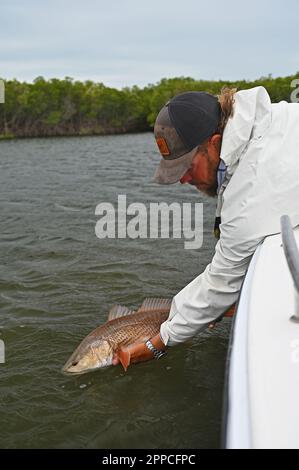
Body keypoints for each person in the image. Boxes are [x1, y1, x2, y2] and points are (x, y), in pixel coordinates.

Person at [113, 85, 299, 368]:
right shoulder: (273, 120)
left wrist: (155, 344)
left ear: (213, 142)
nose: (184, 180)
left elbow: (223, 280)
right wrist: (181, 311)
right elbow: (222, 275)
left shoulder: (249, 191)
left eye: (187, 167)